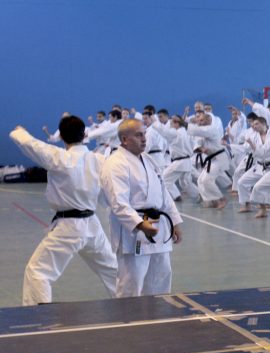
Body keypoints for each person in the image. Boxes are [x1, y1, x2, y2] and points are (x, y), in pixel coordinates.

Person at [10, 117, 119, 305]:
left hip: (69, 226)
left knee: (38, 272)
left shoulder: (59, 157)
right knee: (112, 270)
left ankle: (39, 319)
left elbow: (32, 145)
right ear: (85, 135)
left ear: (60, 136)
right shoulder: (99, 159)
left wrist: (20, 131)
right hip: (92, 224)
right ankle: (133, 305)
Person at [100, 119, 183, 297]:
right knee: (132, 281)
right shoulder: (115, 163)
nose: (144, 139)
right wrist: (140, 224)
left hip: (158, 227)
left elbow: (163, 193)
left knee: (161, 277)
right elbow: (118, 203)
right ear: (124, 139)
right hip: (134, 233)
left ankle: (158, 318)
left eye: (144, 134)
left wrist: (175, 221)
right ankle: (128, 321)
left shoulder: (148, 160)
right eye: (138, 135)